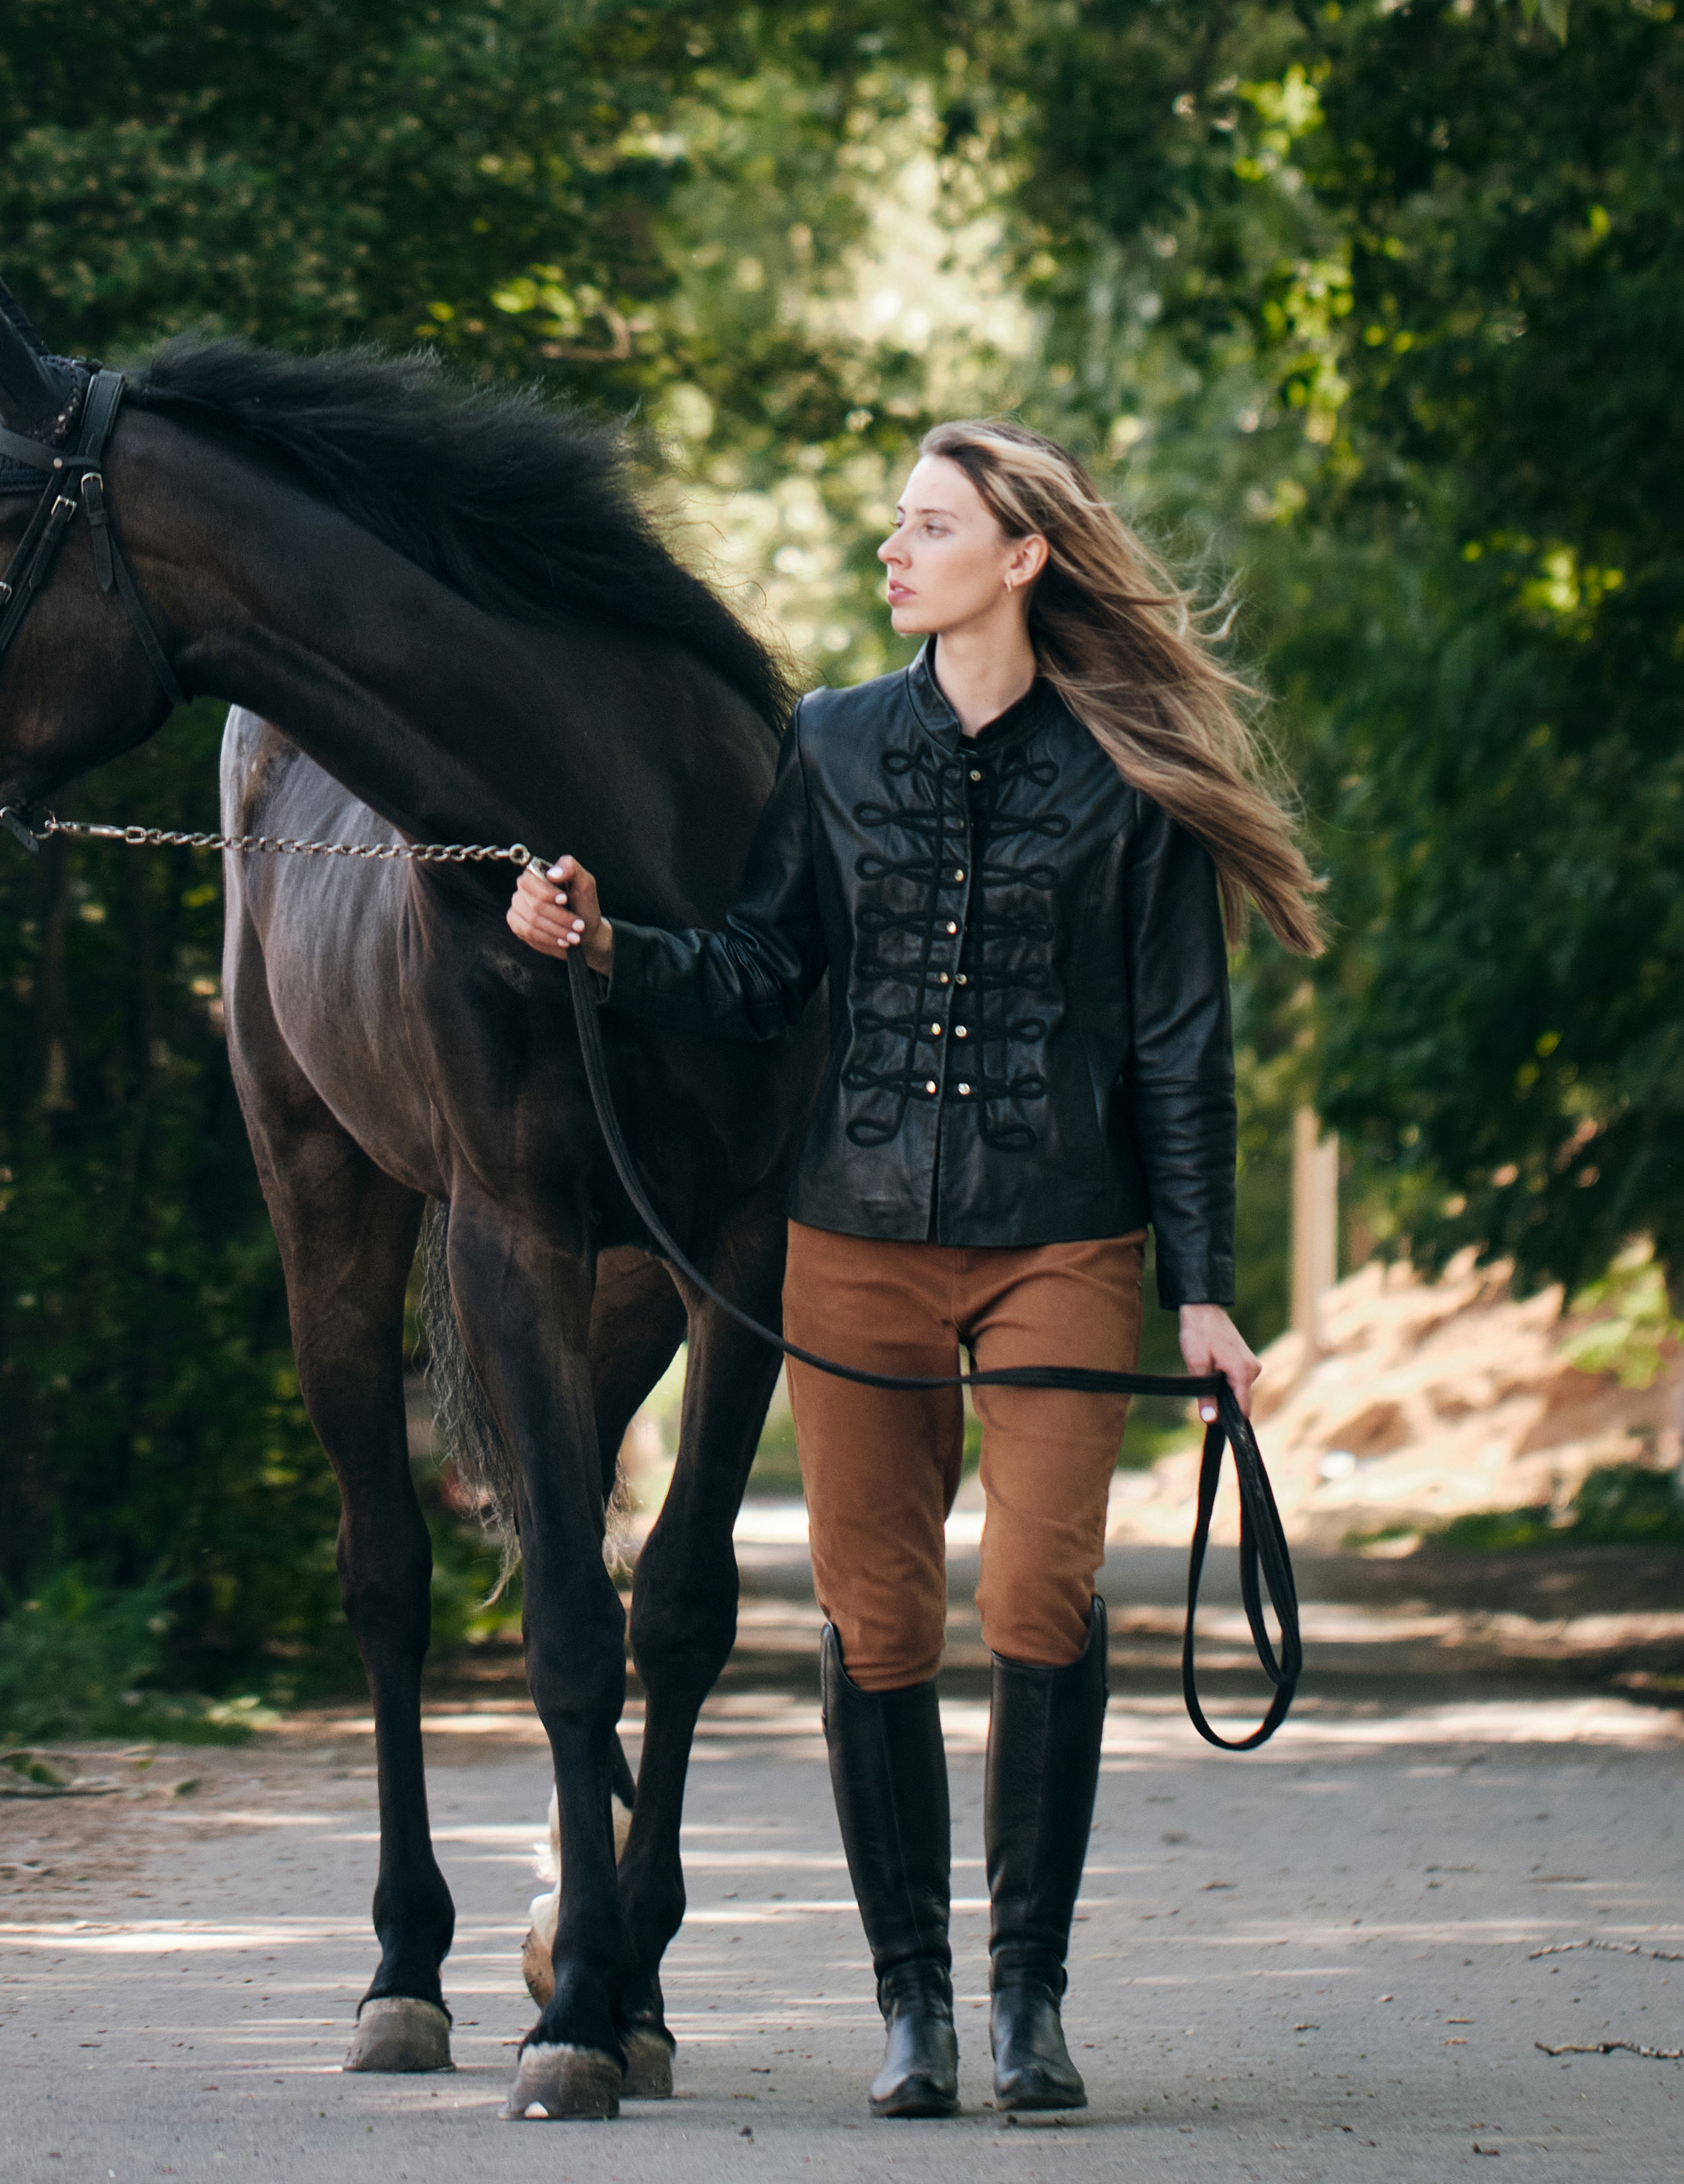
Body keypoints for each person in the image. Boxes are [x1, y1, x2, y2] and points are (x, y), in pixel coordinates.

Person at [507, 417, 1322, 2122]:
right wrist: (606, 947)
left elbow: (1180, 1054)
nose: (895, 549)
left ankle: (1027, 1999)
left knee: (1035, 1597)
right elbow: (760, 970)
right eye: (898, 522)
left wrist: (1202, 1290)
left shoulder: (1132, 775)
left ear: (1022, 556)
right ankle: (913, 2011)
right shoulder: (830, 740)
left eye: (932, 525)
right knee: (876, 1619)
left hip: (1063, 1240)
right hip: (855, 1239)